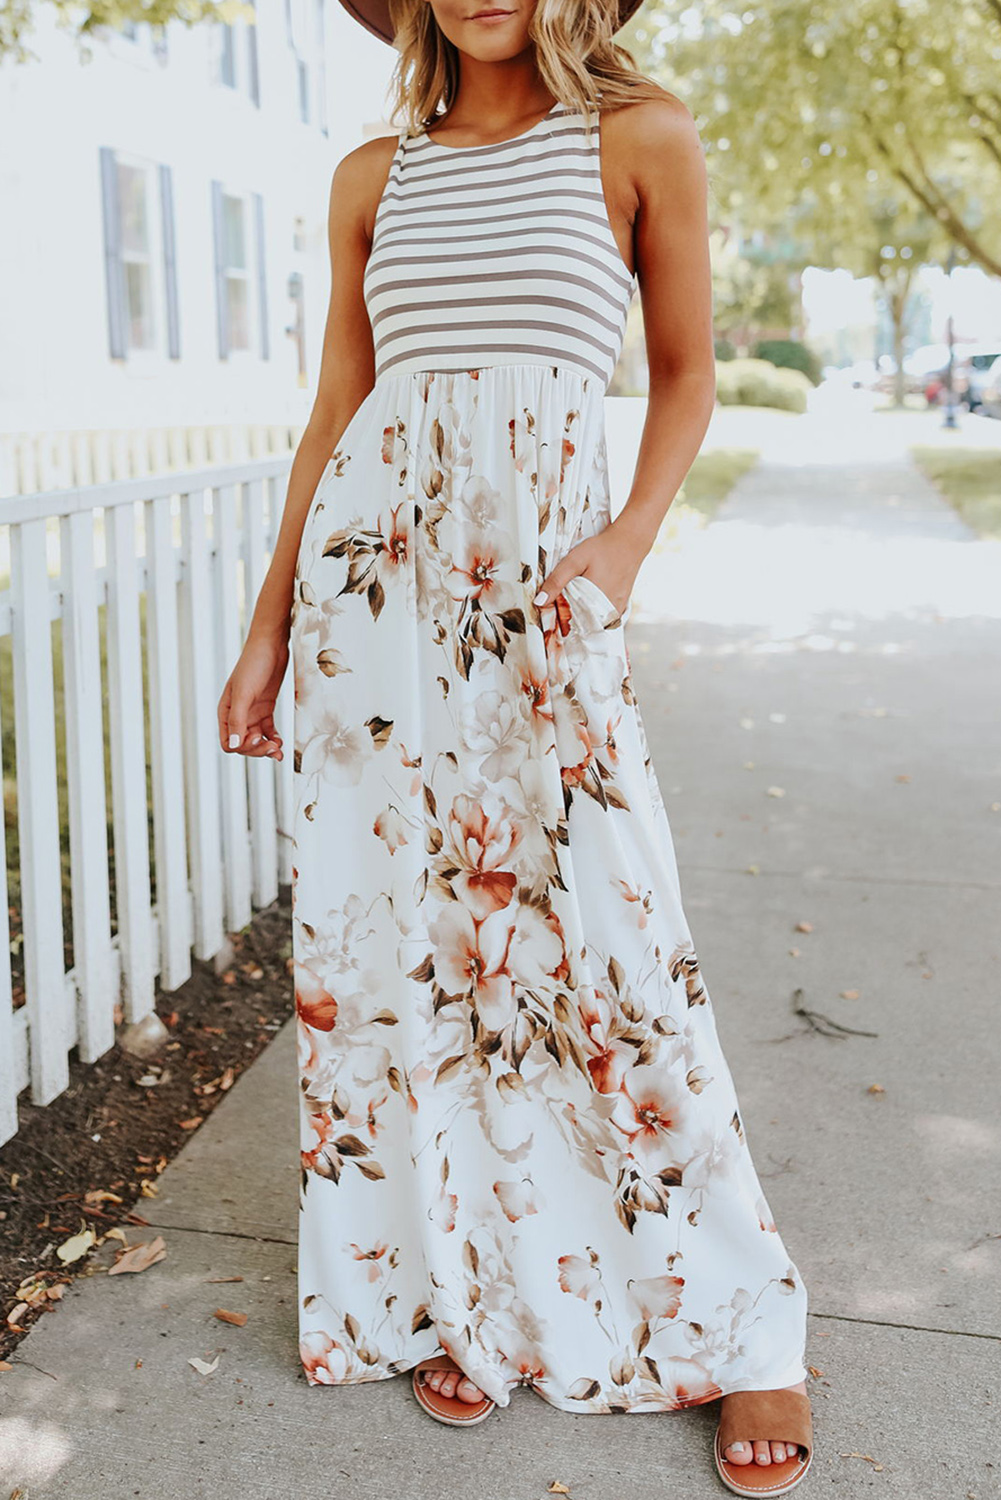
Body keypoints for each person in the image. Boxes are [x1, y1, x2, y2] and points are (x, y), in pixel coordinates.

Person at [217, 0, 814, 1491]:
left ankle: (742, 1321)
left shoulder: (637, 137)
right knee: (400, 954)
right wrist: (270, 627)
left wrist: (626, 545)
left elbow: (686, 372)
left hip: (544, 597)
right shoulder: (374, 176)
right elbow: (338, 406)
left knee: (614, 936)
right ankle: (452, 1290)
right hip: (374, 611)